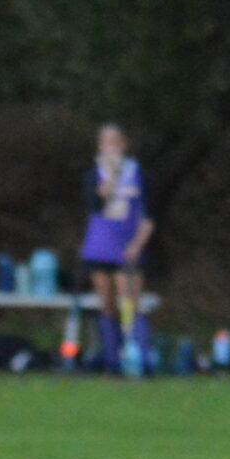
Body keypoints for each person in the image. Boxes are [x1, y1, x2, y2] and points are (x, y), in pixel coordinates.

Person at [80, 123, 154, 373]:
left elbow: (149, 215)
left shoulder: (137, 173)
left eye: (115, 142)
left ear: (124, 144)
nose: (110, 147)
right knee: (108, 304)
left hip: (128, 249)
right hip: (100, 249)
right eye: (105, 142)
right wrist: (105, 188)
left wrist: (137, 245)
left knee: (130, 303)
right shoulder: (94, 175)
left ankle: (140, 358)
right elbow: (93, 206)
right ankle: (112, 359)